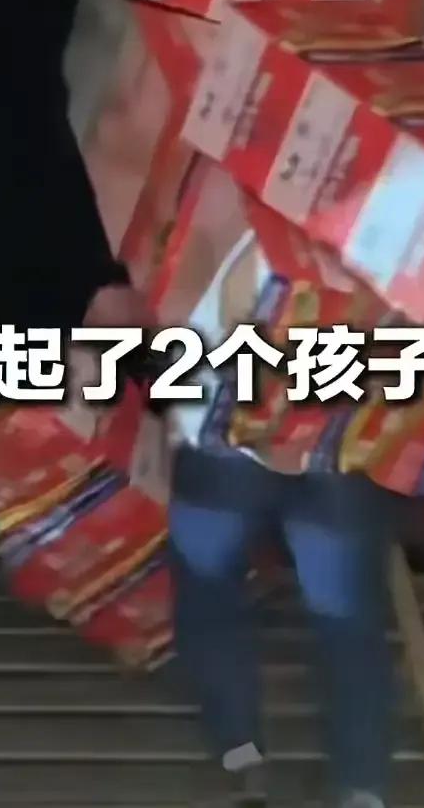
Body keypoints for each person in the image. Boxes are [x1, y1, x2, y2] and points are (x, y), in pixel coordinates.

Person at [84, 281, 395, 808]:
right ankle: (361, 786)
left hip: (223, 438)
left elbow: (126, 312)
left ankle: (241, 758)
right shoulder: (389, 240)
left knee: (211, 604)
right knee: (349, 620)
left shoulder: (210, 225)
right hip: (339, 440)